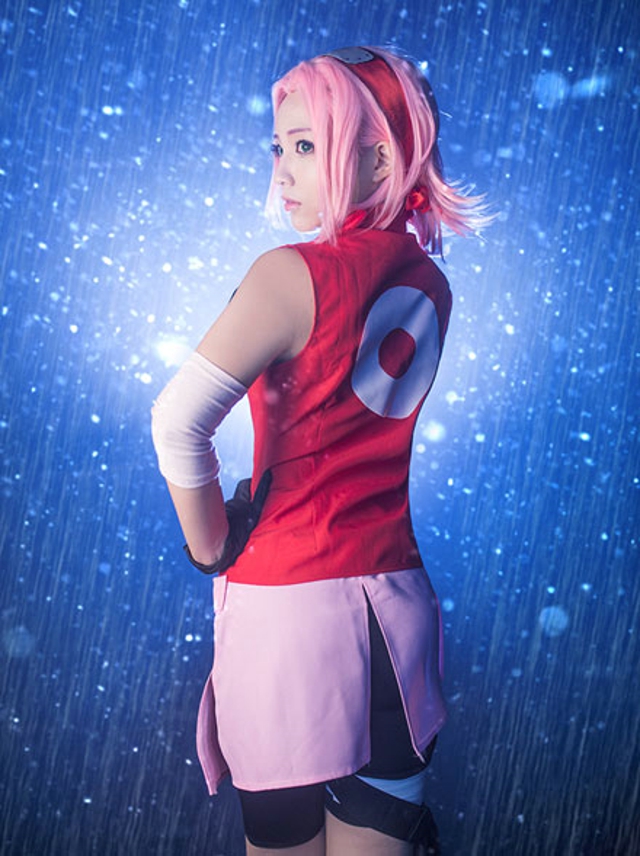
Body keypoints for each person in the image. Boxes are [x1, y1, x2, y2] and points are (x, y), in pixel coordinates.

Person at [151, 46, 488, 855]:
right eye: (280, 146)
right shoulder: (430, 281)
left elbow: (177, 421)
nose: (283, 171)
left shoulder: (288, 275)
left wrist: (211, 544)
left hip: (289, 620)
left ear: (381, 160)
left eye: (306, 145)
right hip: (397, 612)